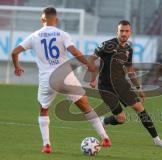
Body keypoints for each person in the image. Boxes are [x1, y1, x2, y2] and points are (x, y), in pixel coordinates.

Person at [11, 7, 111, 154]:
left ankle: (46, 145)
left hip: (47, 79)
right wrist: (88, 64)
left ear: (42, 19)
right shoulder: (62, 35)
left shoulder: (34, 36)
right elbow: (74, 52)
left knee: (44, 109)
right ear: (56, 19)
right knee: (85, 106)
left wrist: (17, 67)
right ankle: (105, 138)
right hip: (65, 76)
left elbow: (14, 52)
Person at [89, 20, 162, 148]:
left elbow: (130, 71)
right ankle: (105, 121)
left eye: (126, 31)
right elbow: (92, 59)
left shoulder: (129, 49)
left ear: (130, 32)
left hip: (122, 85)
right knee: (121, 119)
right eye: (121, 31)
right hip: (106, 87)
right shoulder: (107, 45)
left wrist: (138, 88)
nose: (124, 33)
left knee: (139, 108)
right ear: (117, 31)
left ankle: (157, 139)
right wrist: (93, 77)